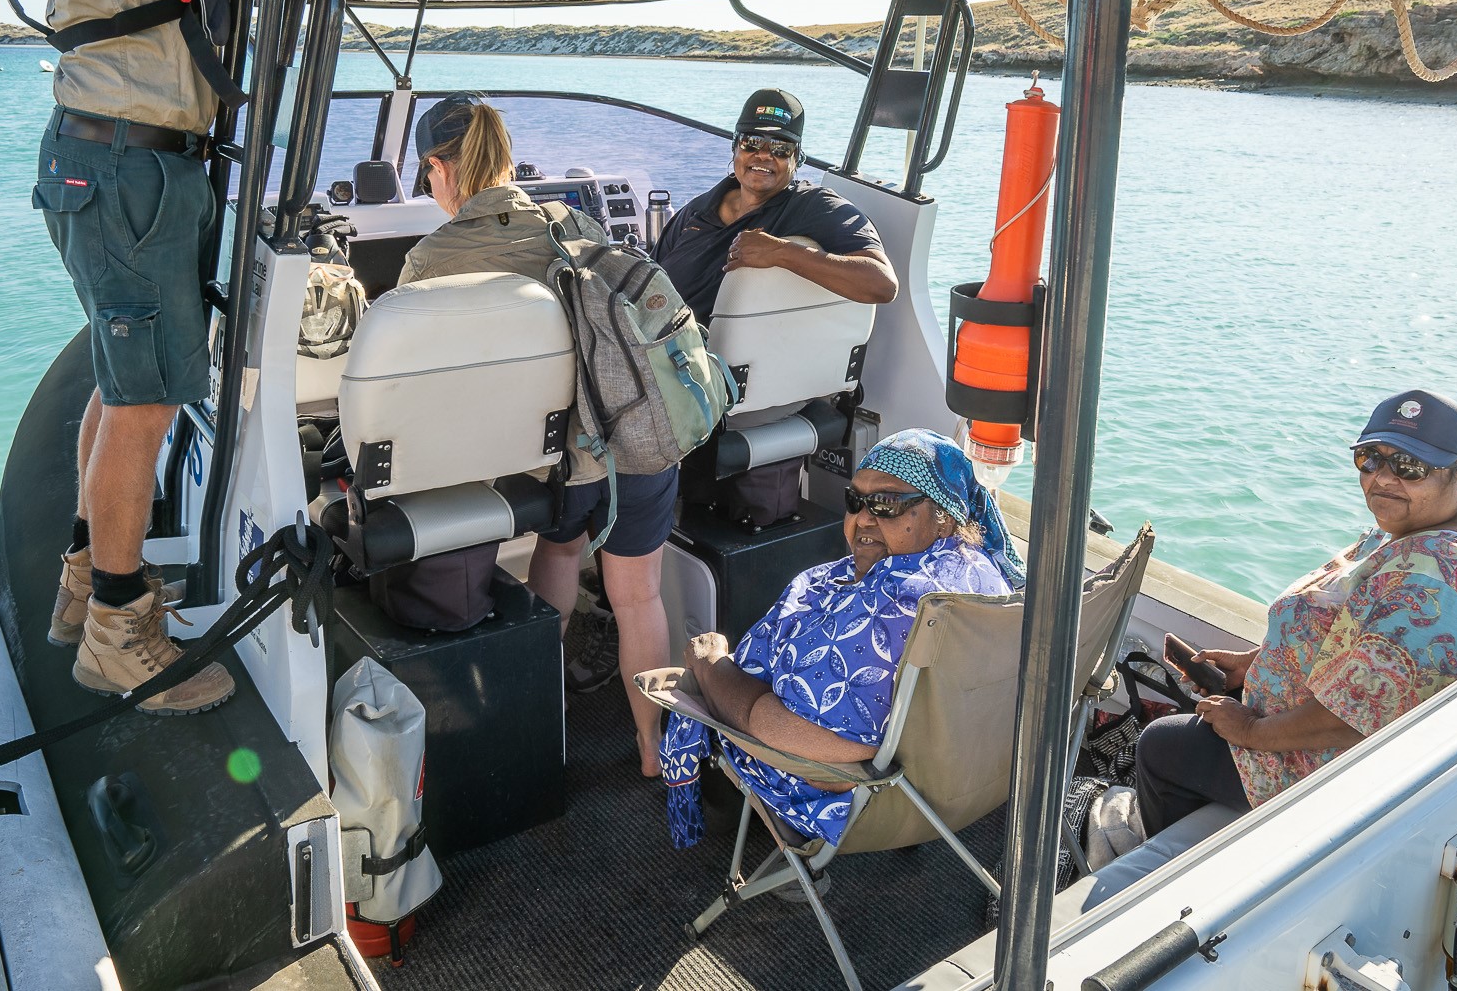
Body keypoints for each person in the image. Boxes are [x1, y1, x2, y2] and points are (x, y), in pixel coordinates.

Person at [1, 0, 452, 715]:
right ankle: (118, 628)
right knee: (146, 399)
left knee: (126, 392)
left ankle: (82, 578)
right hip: (128, 168)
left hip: (124, 163)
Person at [401, 96, 681, 779]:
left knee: (556, 552)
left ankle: (541, 722)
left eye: (426, 174)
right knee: (639, 595)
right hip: (642, 435)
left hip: (558, 467)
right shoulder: (572, 220)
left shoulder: (432, 258)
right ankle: (655, 751)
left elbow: (408, 381)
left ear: (440, 169)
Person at [1130, 390, 1457, 840]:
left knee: (1160, 746)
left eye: (1410, 467)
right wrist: (1257, 662)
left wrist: (1249, 729)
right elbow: (1361, 631)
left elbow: (1351, 719)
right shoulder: (1443, 526)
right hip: (1327, 726)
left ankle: (1185, 873)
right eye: (1370, 459)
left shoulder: (1438, 582)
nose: (1383, 478)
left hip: (1341, 772)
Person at [660, 429, 1025, 848]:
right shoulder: (979, 574)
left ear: (943, 516)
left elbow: (789, 739)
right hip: (970, 778)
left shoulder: (899, 607)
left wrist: (711, 666)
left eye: (886, 504)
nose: (863, 518)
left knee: (696, 696)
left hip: (864, 798)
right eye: (856, 501)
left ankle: (730, 798)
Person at [652, 88, 897, 320]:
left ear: (797, 159)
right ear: (735, 147)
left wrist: (782, 252)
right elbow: (647, 277)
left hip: (702, 359)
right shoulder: (698, 209)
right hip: (648, 341)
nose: (764, 155)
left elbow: (882, 284)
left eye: (781, 148)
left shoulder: (813, 206)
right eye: (752, 142)